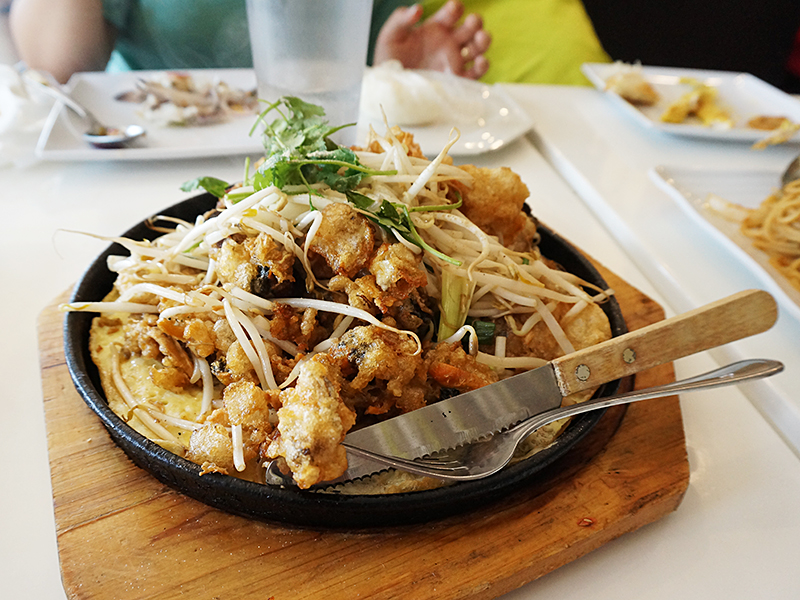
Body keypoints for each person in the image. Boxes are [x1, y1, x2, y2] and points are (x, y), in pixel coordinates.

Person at [9, 0, 491, 83]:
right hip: (145, 158)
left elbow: (371, 58)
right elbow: (55, 67)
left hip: (320, 160)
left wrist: (394, 78)